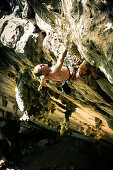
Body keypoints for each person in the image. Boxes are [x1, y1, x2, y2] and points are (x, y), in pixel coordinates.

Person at [34, 49, 101, 91]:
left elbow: (42, 80)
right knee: (87, 61)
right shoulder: (54, 71)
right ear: (43, 72)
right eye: (41, 66)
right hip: (76, 74)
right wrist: (66, 47)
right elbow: (61, 60)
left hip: (73, 70)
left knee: (78, 59)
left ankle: (91, 72)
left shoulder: (44, 76)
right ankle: (94, 74)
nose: (42, 64)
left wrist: (41, 85)